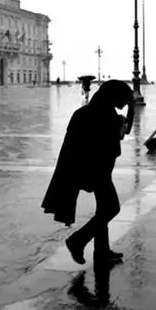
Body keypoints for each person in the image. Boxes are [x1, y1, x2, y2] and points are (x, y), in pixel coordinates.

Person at [42, 80, 134, 265]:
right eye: (123, 99)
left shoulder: (86, 113)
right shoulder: (108, 117)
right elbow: (124, 131)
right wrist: (132, 108)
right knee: (111, 208)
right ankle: (77, 240)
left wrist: (130, 106)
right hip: (98, 172)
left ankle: (101, 252)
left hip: (93, 170)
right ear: (113, 97)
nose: (124, 103)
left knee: (103, 209)